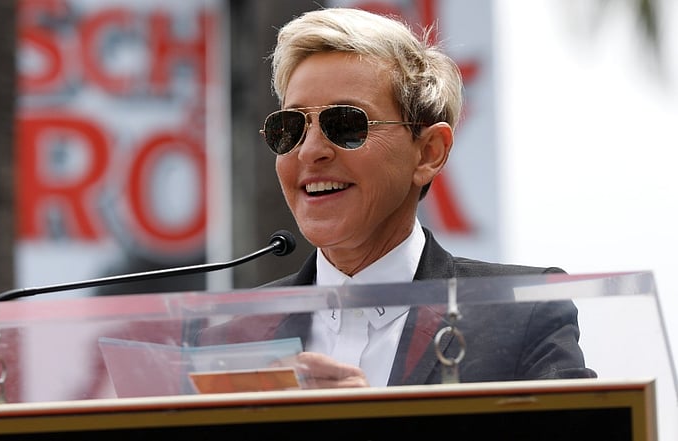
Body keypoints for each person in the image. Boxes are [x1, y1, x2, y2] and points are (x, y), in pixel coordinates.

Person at [196, 8, 594, 388]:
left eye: (346, 124)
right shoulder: (233, 335)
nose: (310, 150)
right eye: (290, 126)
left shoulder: (521, 311)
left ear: (428, 152)